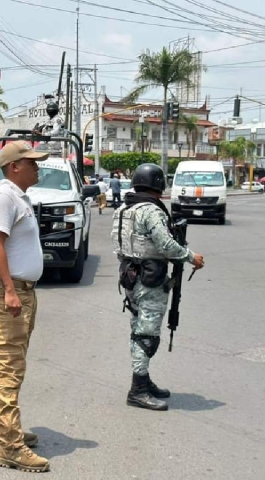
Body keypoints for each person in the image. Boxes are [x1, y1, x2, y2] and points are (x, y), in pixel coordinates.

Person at [112, 163, 204, 411]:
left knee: (138, 330)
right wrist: (190, 256)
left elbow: (119, 243)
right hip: (150, 280)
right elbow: (166, 245)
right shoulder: (151, 212)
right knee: (147, 336)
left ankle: (143, 380)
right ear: (159, 185)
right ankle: (138, 390)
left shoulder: (123, 208)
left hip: (130, 277)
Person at [0, 140, 51, 473]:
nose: (38, 166)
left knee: (5, 362)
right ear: (15, 167)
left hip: (21, 291)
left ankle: (1, 429)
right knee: (9, 366)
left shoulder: (17, 198)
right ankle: (11, 447)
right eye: (33, 162)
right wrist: (9, 289)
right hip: (10, 292)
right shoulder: (4, 198)